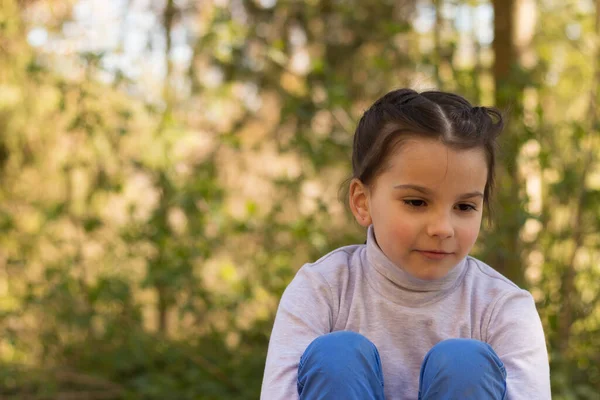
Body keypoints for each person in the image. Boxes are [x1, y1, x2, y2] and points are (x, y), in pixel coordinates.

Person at [260, 88, 551, 400]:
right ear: (363, 202)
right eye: (416, 202)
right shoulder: (322, 289)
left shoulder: (502, 308)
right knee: (337, 356)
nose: (442, 228)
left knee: (465, 364)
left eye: (464, 207)